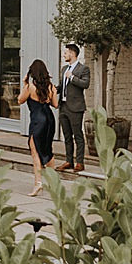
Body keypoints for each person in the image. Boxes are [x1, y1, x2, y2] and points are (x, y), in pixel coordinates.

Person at [18, 59, 58, 196]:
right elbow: (55, 104)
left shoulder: (30, 87)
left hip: (37, 120)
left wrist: (24, 85)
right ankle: (54, 183)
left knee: (35, 152)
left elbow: (19, 100)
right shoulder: (51, 87)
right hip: (50, 119)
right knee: (47, 149)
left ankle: (38, 184)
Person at [57, 43, 90, 173]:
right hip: (63, 106)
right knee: (66, 135)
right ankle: (68, 161)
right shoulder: (64, 68)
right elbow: (61, 86)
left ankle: (80, 162)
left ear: (72, 53)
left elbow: (85, 84)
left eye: (65, 53)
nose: (64, 55)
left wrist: (72, 77)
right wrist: (53, 90)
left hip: (76, 107)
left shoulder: (83, 69)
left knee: (78, 135)